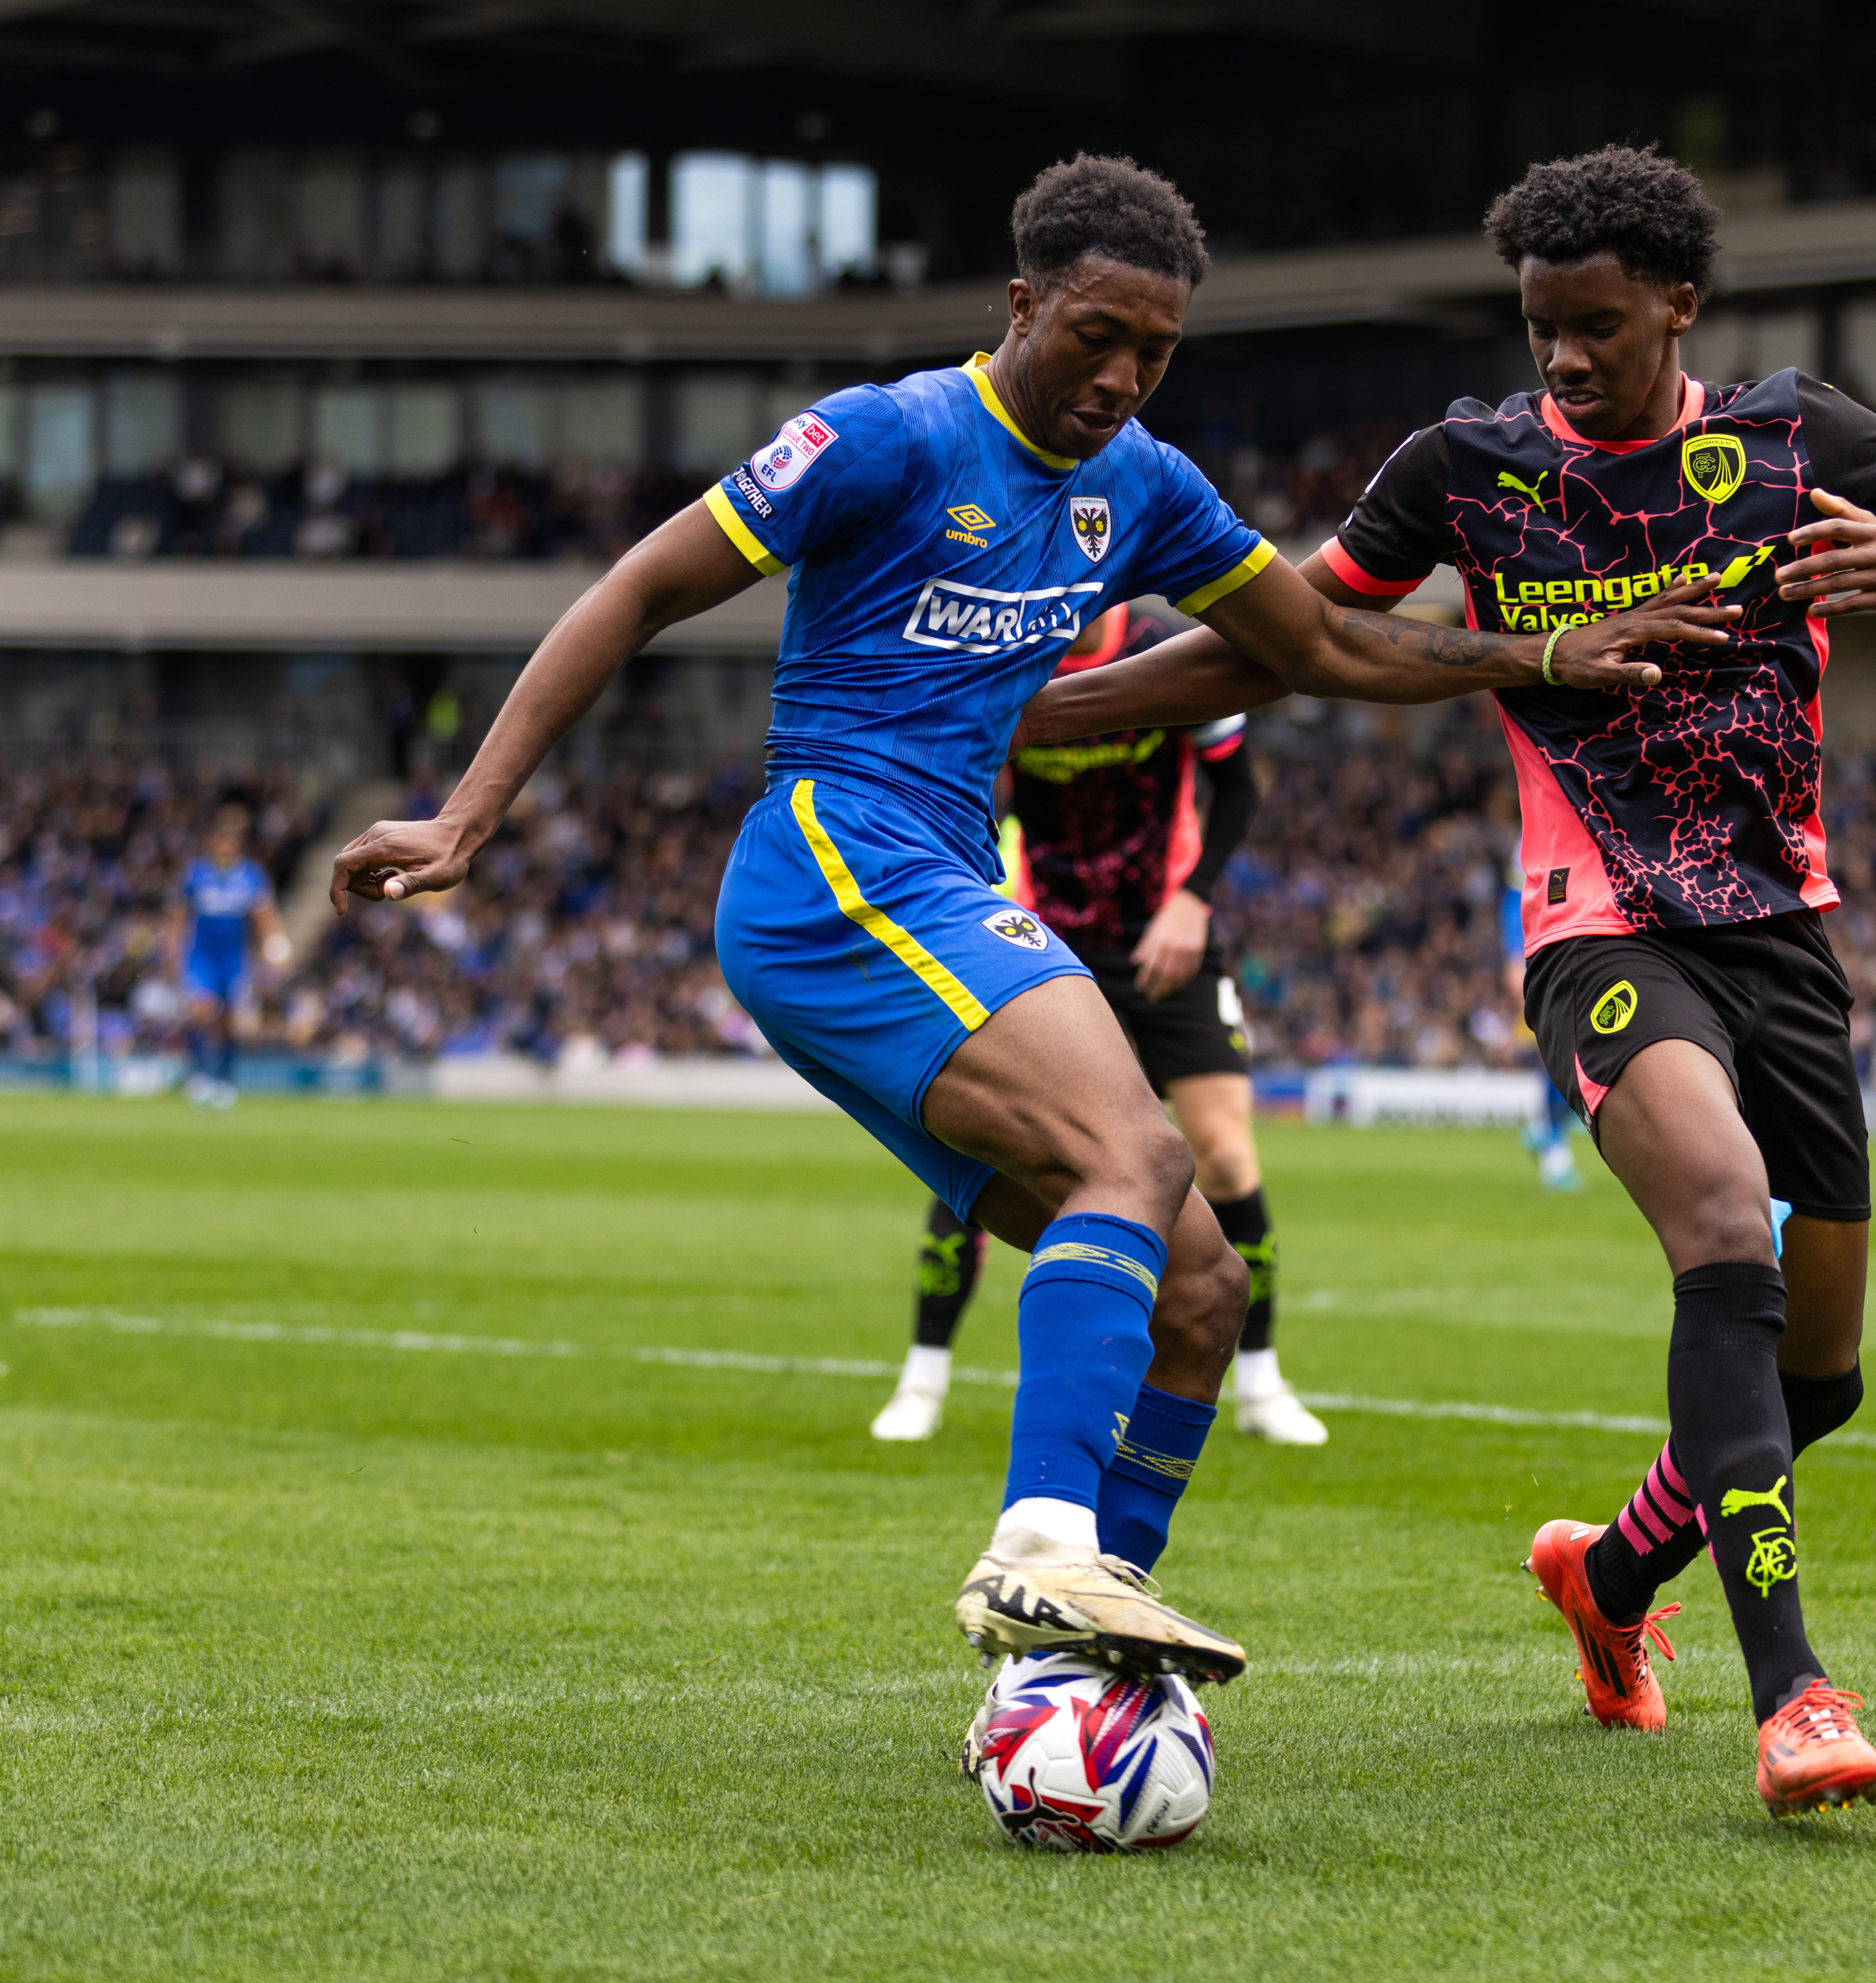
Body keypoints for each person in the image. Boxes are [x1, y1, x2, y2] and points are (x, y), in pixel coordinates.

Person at [327, 153, 1731, 1691]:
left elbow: (1318, 639)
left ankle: (1070, 1668)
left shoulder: (1142, 483)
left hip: (941, 876)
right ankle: (1040, 1546)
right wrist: (470, 814)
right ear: (1020, 303)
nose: (1121, 378)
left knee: (1200, 1284)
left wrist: (1535, 655)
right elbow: (636, 590)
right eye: (1095, 336)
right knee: (1138, 1151)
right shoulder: (885, 436)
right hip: (830, 857)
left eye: (1156, 352)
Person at [1017, 144, 1876, 1809]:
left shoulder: (1805, 443)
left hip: (1783, 937)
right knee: (1721, 1229)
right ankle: (1794, 1692)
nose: (1564, 358)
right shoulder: (1465, 468)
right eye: (1540, 330)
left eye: (1594, 325)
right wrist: (1039, 711)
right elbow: (1283, 634)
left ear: (1678, 303)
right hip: (1597, 925)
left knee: (1823, 1376)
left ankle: (1606, 1579)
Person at [873, 600, 1327, 1447]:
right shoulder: (1016, 651)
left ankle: (1262, 1383)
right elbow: (966, 785)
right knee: (981, 1148)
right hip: (1042, 942)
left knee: (1225, 1151)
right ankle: (922, 1376)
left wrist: (1192, 904)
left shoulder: (1166, 650)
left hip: (1168, 936)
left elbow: (1234, 784)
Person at [166, 806, 289, 1109]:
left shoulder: (251, 876)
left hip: (234, 960)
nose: (224, 844)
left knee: (230, 1021)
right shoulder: (195, 875)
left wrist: (276, 948)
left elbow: (265, 917)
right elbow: (178, 918)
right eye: (220, 839)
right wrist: (171, 951)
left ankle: (225, 1081)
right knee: (201, 1013)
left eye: (230, 839)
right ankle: (199, 1076)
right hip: (202, 958)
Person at [1498, 871, 1582, 1190]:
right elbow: (1514, 903)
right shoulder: (1528, 857)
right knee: (1559, 1046)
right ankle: (1553, 1148)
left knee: (1569, 1047)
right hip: (1541, 942)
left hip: (1566, 934)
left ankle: (1545, 1128)